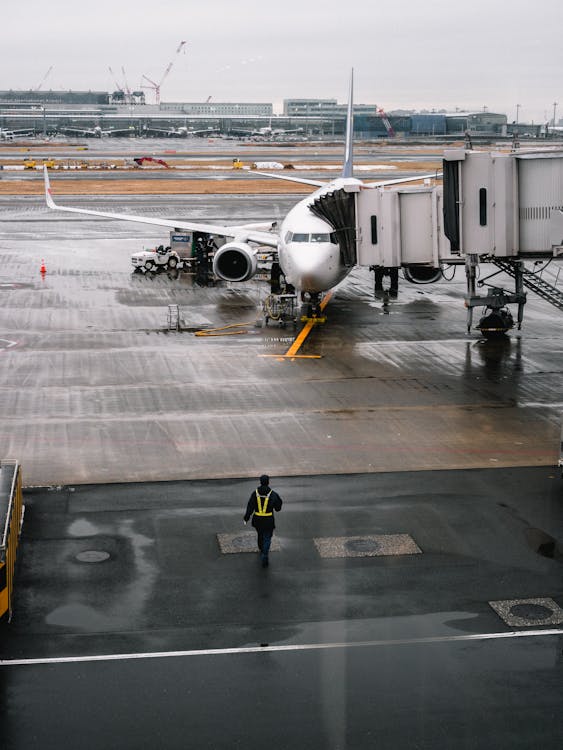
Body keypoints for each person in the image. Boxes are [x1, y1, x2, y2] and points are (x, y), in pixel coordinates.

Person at [244, 475, 282, 568]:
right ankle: (265, 554)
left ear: (260, 482)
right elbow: (278, 507)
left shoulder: (255, 493)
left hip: (257, 520)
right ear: (268, 482)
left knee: (260, 534)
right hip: (268, 520)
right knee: (267, 538)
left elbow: (250, 506)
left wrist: (246, 517)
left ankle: (261, 549)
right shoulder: (273, 494)